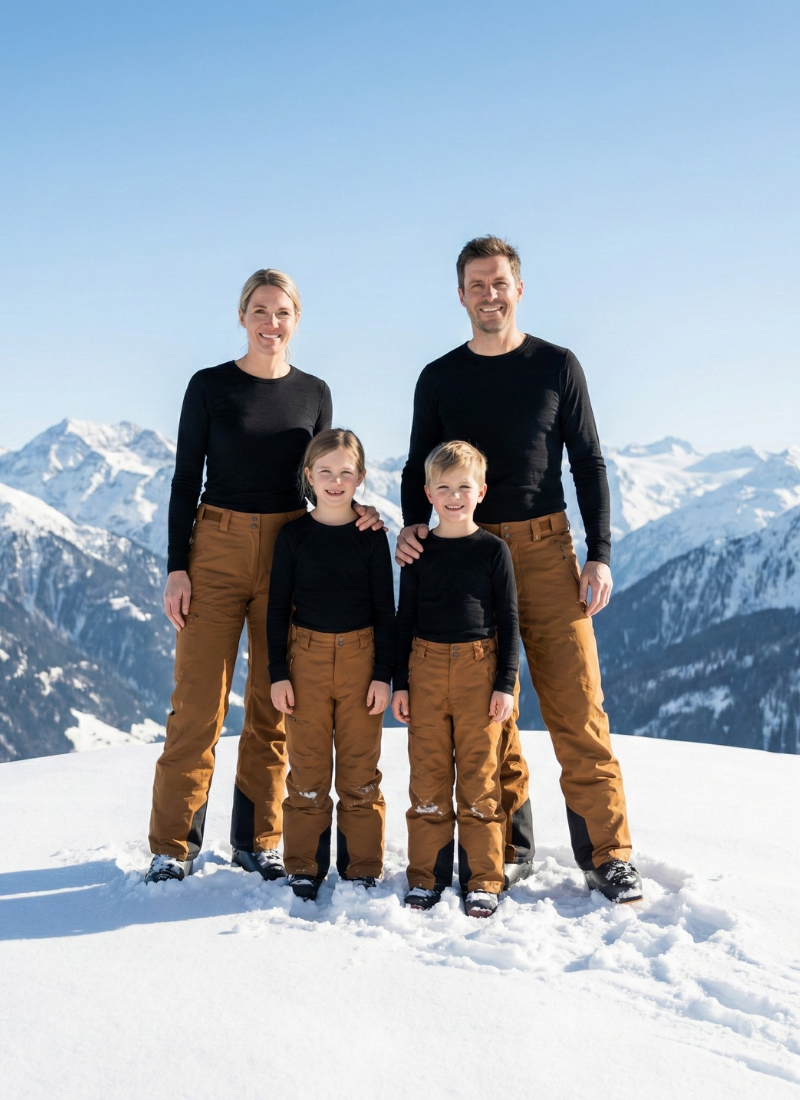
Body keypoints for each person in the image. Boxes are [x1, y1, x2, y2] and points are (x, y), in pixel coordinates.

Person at [396, 236, 642, 903]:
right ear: (460, 294)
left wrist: (599, 553)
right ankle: (511, 845)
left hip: (545, 549)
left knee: (577, 702)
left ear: (519, 288)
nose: (489, 294)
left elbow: (588, 462)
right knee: (489, 711)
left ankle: (608, 855)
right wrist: (415, 528)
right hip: (467, 552)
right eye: (477, 284)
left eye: (499, 282)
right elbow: (417, 467)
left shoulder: (557, 366)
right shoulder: (439, 377)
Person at [145, 271, 382, 885]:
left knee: (274, 703)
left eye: (281, 312)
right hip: (216, 548)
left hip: (289, 547)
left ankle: (259, 839)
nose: (269, 323)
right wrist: (177, 566)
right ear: (242, 315)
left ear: (296, 319)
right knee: (196, 704)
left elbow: (326, 472)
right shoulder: (209, 386)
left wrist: (359, 511)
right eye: (258, 310)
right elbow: (182, 481)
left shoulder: (315, 392)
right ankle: (174, 846)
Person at [392, 441, 518, 918]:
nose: (453, 496)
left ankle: (483, 878)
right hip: (423, 669)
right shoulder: (418, 551)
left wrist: (504, 684)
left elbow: (509, 619)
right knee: (427, 777)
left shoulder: (493, 550)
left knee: (479, 779)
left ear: (481, 492)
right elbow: (404, 617)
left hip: (478, 671)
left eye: (463, 487)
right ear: (427, 492)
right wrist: (399, 681)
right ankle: (426, 876)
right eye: (442, 487)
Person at [268, 429, 394, 900]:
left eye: (346, 473)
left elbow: (386, 608)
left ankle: (362, 867)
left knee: (361, 771)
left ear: (360, 477)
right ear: (309, 477)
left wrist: (384, 673)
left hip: (363, 662)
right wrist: (277, 672)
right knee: (306, 769)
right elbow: (277, 608)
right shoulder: (293, 536)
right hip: (306, 662)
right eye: (326, 472)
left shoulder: (372, 536)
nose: (336, 481)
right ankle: (304, 866)